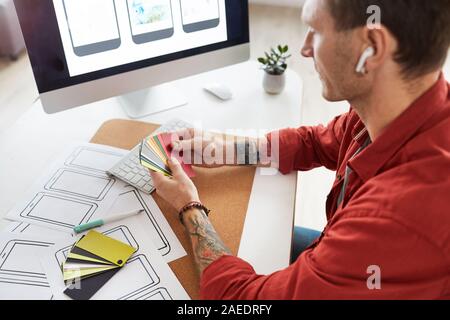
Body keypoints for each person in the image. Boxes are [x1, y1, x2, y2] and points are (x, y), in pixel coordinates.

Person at [149, 0, 450, 299]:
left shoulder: (395, 220)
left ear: (371, 47)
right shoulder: (402, 104)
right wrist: (227, 150)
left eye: (316, 31)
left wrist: (189, 207)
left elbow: (242, 301)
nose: (305, 48)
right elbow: (316, 143)